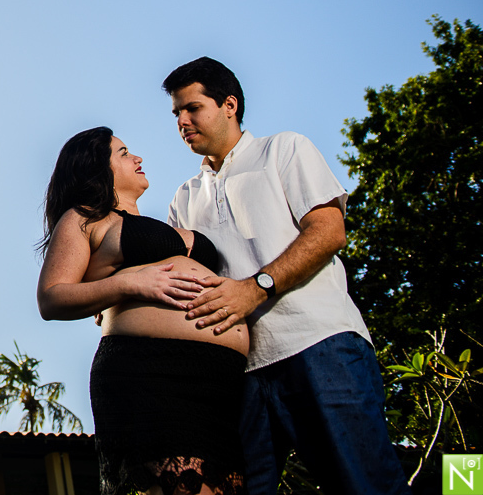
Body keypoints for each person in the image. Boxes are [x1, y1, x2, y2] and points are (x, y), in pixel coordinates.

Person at [162, 57, 409, 495]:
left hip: (319, 344)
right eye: (176, 113)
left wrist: (256, 288)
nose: (182, 121)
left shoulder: (284, 149)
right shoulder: (183, 198)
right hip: (238, 372)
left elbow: (329, 231)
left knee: (364, 484)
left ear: (229, 105)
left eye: (192, 108)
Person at [37, 126, 249, 495]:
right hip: (153, 374)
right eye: (123, 153)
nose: (137, 158)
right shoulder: (85, 218)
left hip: (222, 383)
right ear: (96, 167)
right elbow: (51, 298)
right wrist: (130, 284)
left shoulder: (167, 223)